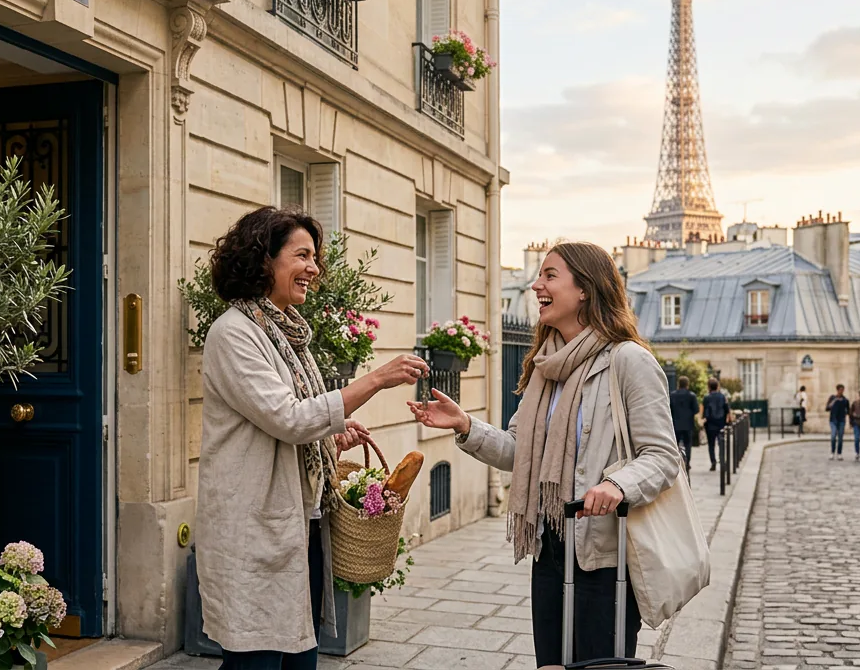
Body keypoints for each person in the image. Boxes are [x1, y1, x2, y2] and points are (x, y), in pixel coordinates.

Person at [412, 241, 682, 667]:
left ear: (585, 290)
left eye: (550, 275)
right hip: (550, 544)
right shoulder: (546, 367)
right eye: (539, 275)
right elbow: (520, 452)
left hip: (603, 553)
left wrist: (617, 484)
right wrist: (466, 425)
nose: (536, 284)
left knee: (598, 665)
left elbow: (663, 456)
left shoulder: (628, 361)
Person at [195, 206, 432, 670]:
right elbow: (287, 418)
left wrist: (332, 435)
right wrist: (376, 379)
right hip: (253, 528)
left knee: (299, 659)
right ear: (264, 259)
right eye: (302, 255)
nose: (314, 268)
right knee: (256, 660)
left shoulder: (286, 334)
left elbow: (293, 421)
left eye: (315, 256)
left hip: (297, 528)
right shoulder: (234, 334)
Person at [670, 375, 699, 472]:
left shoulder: (672, 395)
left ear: (678, 384)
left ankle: (676, 463)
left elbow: (669, 409)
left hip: (675, 424)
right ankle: (687, 462)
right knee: (688, 444)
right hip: (688, 424)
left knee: (675, 445)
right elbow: (696, 410)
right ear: (687, 384)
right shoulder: (691, 396)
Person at [703, 377, 731, 470]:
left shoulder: (706, 397)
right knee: (721, 443)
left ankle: (713, 463)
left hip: (710, 424)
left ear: (709, 387)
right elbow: (726, 409)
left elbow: (704, 412)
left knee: (711, 445)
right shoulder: (722, 396)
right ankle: (722, 461)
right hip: (721, 423)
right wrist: (728, 419)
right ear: (717, 386)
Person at [826, 384, 850, 460]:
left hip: (841, 420)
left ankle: (839, 453)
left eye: (842, 390)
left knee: (840, 438)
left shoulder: (845, 400)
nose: (841, 391)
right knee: (833, 436)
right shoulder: (832, 398)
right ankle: (832, 452)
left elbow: (848, 410)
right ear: (837, 390)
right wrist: (835, 400)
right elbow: (827, 408)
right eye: (840, 390)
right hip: (833, 420)